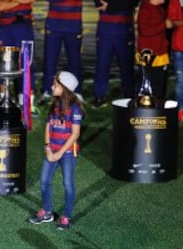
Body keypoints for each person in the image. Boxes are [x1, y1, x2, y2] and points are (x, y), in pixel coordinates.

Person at [29, 71, 84, 230]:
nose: (52, 86)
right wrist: (47, 148)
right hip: (52, 150)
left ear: (65, 88)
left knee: (68, 184)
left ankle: (66, 216)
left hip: (67, 153)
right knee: (44, 181)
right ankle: (47, 211)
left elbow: (75, 134)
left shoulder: (75, 108)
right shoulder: (54, 105)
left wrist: (59, 153)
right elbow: (48, 127)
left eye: (56, 84)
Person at [91, 0, 139, 108]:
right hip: (105, 29)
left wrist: (110, 6)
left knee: (126, 65)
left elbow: (131, 2)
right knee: (102, 64)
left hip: (124, 28)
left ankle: (129, 95)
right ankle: (100, 95)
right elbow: (99, 3)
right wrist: (117, 6)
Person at [38, 0, 83, 105]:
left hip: (73, 25)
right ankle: (48, 91)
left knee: (74, 62)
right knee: (50, 61)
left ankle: (76, 92)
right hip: (53, 25)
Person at [137, 0, 173, 106]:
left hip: (160, 52)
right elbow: (144, 31)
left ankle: (158, 108)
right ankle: (148, 109)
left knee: (160, 85)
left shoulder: (159, 9)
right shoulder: (145, 9)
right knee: (148, 84)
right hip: (150, 55)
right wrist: (164, 25)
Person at [167, 0, 183, 122]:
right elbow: (171, 22)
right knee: (180, 81)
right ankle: (180, 110)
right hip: (179, 47)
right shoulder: (175, 1)